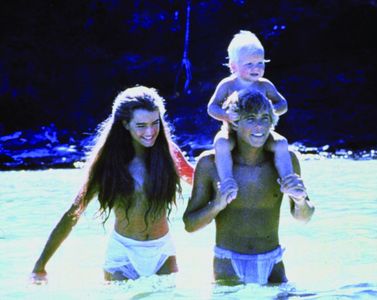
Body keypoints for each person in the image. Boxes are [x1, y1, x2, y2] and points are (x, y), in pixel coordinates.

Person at [30, 86, 194, 283]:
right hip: (123, 253)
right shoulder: (108, 164)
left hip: (162, 252)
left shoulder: (169, 154)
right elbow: (73, 214)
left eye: (155, 123)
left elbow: (200, 182)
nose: (150, 131)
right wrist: (40, 266)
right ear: (125, 124)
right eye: (141, 125)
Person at [184, 89, 315, 285]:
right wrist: (217, 205)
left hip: (274, 265)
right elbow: (189, 225)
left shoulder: (286, 161)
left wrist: (300, 199)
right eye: (251, 118)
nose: (259, 126)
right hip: (228, 265)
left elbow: (304, 218)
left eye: (264, 118)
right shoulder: (210, 164)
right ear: (235, 123)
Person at [207, 30, 293, 203]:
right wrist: (227, 116)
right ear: (233, 66)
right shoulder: (228, 85)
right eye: (249, 64)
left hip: (262, 135)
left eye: (260, 63)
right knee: (221, 143)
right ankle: (227, 182)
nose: (256, 68)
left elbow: (283, 104)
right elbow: (211, 107)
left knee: (282, 143)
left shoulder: (265, 85)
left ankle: (289, 182)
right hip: (233, 132)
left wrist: (270, 111)